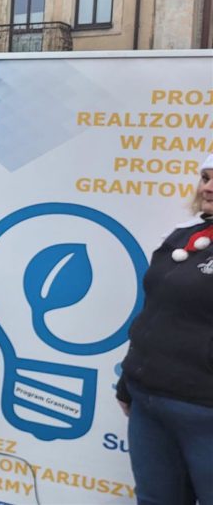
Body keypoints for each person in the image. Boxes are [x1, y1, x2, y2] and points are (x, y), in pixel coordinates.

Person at [116, 153, 213, 504]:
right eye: (206, 178)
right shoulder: (183, 236)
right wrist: (129, 380)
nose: (208, 188)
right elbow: (154, 310)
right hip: (150, 401)